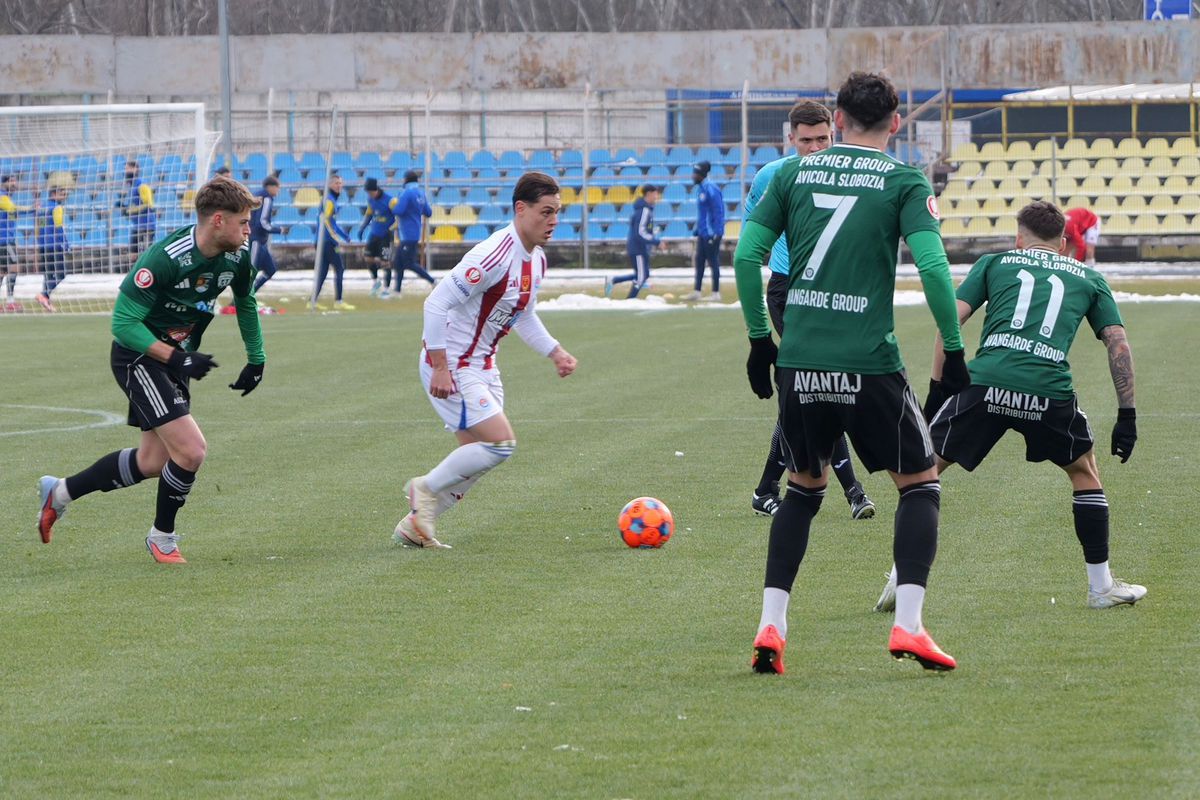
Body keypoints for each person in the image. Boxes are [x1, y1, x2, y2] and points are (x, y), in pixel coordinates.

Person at [732, 71, 970, 674]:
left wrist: (762, 339)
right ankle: (909, 627)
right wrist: (954, 346)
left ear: (836, 121)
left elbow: (745, 256)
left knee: (801, 491)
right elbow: (937, 272)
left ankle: (771, 624)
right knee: (919, 484)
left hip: (801, 361)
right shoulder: (906, 181)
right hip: (869, 362)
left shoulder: (788, 174)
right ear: (896, 123)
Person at [874, 201, 1145, 612]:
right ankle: (1100, 587)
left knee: (923, 475)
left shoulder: (994, 263)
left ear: (1018, 238)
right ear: (1065, 242)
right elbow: (1118, 343)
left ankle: (900, 578)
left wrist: (937, 388)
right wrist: (1127, 415)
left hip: (985, 384)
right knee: (1084, 471)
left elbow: (949, 322)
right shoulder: (1089, 277)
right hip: (1047, 390)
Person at [37, 176, 267, 564]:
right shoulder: (165, 258)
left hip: (174, 359)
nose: (249, 229)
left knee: (153, 463)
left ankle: (59, 492)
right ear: (216, 220)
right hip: (138, 356)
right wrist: (176, 358)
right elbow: (123, 324)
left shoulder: (237, 257)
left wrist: (256, 359)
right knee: (192, 451)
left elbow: (245, 302)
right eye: (243, 221)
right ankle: (163, 537)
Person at [395, 172, 577, 550]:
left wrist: (555, 351)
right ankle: (422, 489)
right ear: (520, 209)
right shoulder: (493, 255)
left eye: (557, 212)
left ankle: (416, 526)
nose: (553, 221)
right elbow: (435, 303)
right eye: (546, 212)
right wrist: (441, 366)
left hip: (483, 366)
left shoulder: (536, 261)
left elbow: (522, 314)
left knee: (477, 457)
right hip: (454, 364)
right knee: (500, 445)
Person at [743, 100, 875, 521]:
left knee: (807, 392)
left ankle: (766, 489)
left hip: (834, 292)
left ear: (833, 134)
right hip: (788, 291)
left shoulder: (848, 172)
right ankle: (853, 491)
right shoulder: (772, 176)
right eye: (806, 141)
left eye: (823, 138)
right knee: (820, 386)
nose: (815, 148)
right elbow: (752, 239)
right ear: (790, 139)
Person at [606, 184, 660, 299]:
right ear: (649, 194)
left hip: (641, 248)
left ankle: (613, 280)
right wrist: (656, 241)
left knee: (644, 275)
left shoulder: (646, 210)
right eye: (655, 194)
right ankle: (630, 300)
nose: (657, 197)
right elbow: (640, 233)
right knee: (641, 277)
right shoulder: (644, 211)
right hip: (638, 248)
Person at [312, 172, 354, 310]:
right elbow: (327, 222)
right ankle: (339, 301)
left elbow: (332, 223)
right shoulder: (329, 200)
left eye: (341, 183)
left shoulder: (330, 199)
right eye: (336, 183)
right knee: (340, 269)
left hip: (323, 241)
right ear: (330, 184)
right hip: (327, 242)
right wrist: (336, 238)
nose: (339, 186)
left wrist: (345, 236)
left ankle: (312, 300)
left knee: (323, 272)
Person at [684, 160, 725, 302]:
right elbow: (703, 213)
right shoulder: (701, 188)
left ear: (701, 174)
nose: (693, 176)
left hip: (711, 234)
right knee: (699, 261)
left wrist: (716, 232)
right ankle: (697, 291)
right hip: (703, 233)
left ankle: (716, 293)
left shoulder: (711, 189)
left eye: (695, 173)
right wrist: (698, 229)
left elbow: (718, 212)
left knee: (713, 261)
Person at [392, 170, 435, 294]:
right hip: (415, 232)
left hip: (406, 234)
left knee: (409, 263)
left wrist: (394, 205)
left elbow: (399, 211)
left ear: (406, 180)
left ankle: (432, 281)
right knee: (398, 262)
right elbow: (428, 212)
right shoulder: (421, 193)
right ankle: (397, 291)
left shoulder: (407, 193)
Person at [357, 176, 399, 298]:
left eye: (370, 192)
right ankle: (376, 282)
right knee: (368, 257)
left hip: (386, 236)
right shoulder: (370, 199)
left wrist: (390, 229)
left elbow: (399, 218)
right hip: (374, 233)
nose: (369, 194)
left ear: (375, 189)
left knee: (385, 262)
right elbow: (369, 214)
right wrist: (362, 228)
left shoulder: (391, 201)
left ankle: (386, 289)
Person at [35, 184, 69, 312]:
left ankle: (46, 301)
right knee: (62, 273)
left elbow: (40, 226)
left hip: (43, 245)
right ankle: (44, 294)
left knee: (48, 274)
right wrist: (65, 244)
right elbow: (59, 226)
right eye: (62, 194)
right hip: (54, 244)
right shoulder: (57, 207)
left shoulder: (42, 208)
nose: (64, 197)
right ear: (54, 194)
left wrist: (40, 242)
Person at [0, 174, 32, 311]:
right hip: (4, 240)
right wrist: (32, 208)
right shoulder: (2, 197)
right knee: (14, 268)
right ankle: (11, 301)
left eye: (15, 181)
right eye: (11, 181)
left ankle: (9, 301)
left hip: (7, 239)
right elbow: (15, 209)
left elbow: (13, 214)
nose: (15, 184)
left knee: (2, 271)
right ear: (4, 183)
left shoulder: (7, 198)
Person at [250, 176, 284, 293]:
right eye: (277, 187)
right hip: (255, 240)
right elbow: (262, 222)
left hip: (260, 241)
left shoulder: (257, 195)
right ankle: (239, 302)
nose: (278, 190)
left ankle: (250, 295)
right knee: (251, 272)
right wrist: (278, 230)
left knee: (270, 269)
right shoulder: (266, 198)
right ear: (270, 187)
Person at [120, 160, 156, 256]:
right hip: (137, 225)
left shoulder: (141, 185)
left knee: (147, 254)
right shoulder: (132, 186)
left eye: (127, 169)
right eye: (125, 169)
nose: (126, 172)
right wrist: (124, 209)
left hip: (147, 225)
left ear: (135, 169)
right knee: (132, 253)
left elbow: (149, 204)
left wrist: (130, 211)